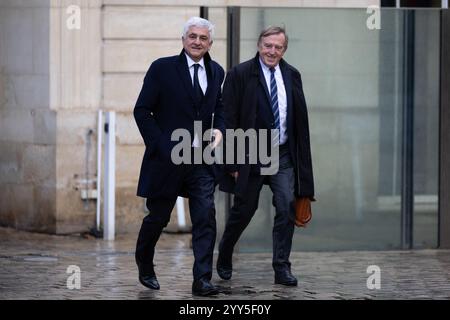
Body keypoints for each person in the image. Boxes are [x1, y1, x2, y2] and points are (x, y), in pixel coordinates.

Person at [134, 17, 225, 296]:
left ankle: (202, 280)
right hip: (168, 159)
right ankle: (145, 262)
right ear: (183, 39)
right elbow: (142, 111)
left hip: (200, 160)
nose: (197, 42)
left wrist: (219, 130)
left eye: (203, 38)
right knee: (158, 217)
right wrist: (161, 146)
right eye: (193, 36)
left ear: (210, 43)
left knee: (205, 216)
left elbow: (219, 108)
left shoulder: (217, 72)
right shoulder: (162, 69)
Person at [217, 26, 315, 286]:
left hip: (283, 155)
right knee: (244, 211)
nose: (272, 51)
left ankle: (281, 267)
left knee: (286, 207)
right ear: (260, 45)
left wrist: (302, 166)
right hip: (251, 152)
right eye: (268, 45)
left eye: (278, 47)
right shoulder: (239, 74)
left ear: (284, 50)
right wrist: (233, 161)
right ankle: (225, 252)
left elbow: (300, 123)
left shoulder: (292, 75)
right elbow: (229, 118)